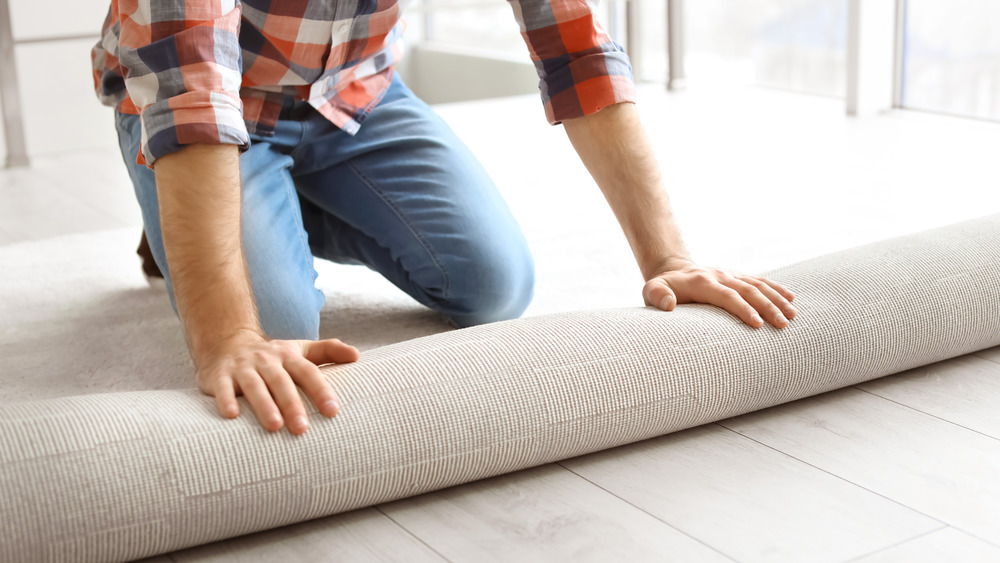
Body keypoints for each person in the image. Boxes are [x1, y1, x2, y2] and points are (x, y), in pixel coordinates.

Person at [92, 0, 797, 436]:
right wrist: (227, 333)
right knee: (273, 334)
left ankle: (222, 215)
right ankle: (180, 204)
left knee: (494, 284)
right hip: (205, 102)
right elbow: (190, 90)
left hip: (354, 92)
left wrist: (669, 258)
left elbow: (578, 49)